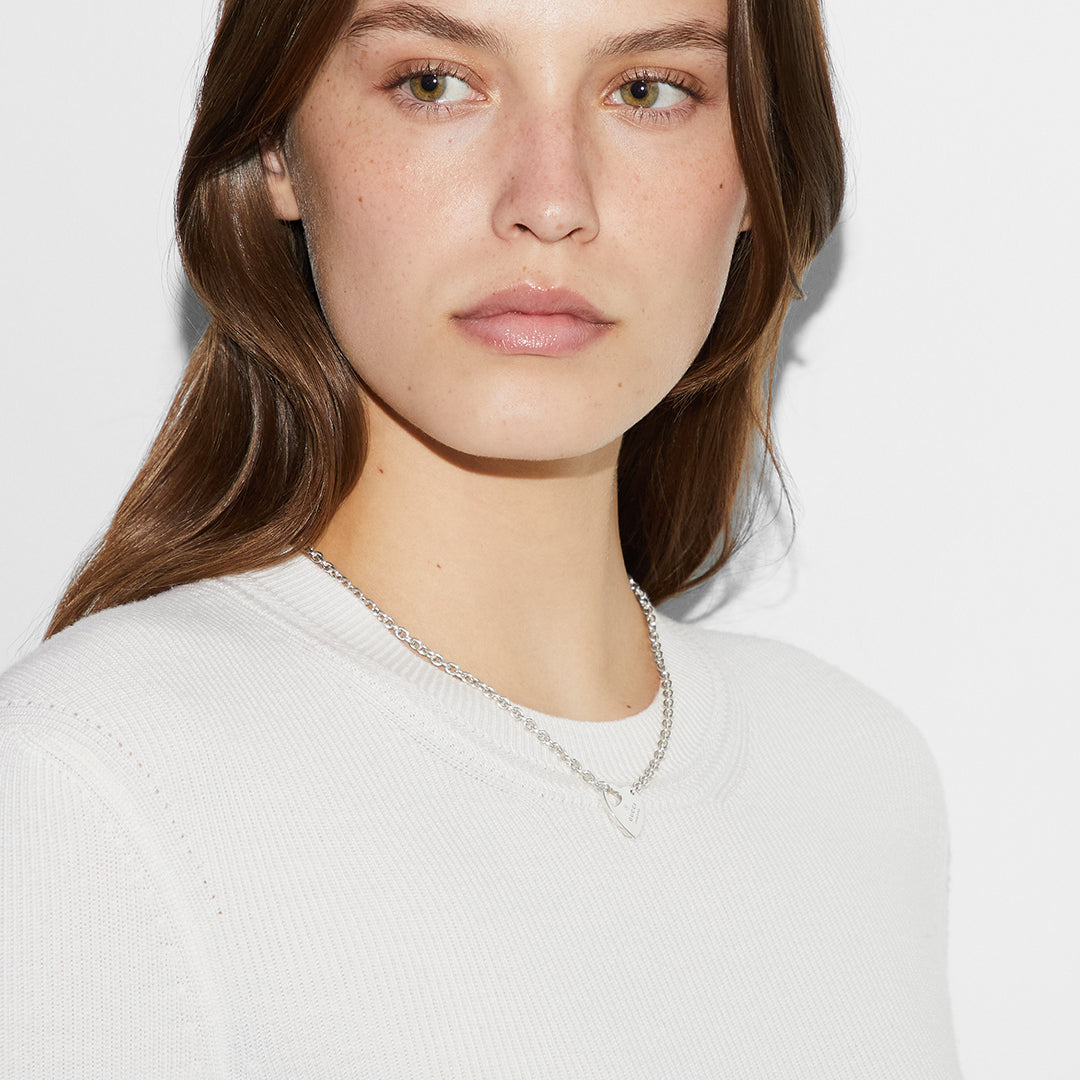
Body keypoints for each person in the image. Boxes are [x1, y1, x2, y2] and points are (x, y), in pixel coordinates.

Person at [0, 0, 962, 1075]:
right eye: (434, 83)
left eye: (647, 90)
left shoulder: (860, 778)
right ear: (275, 144)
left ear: (757, 173)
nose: (550, 201)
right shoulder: (90, 784)